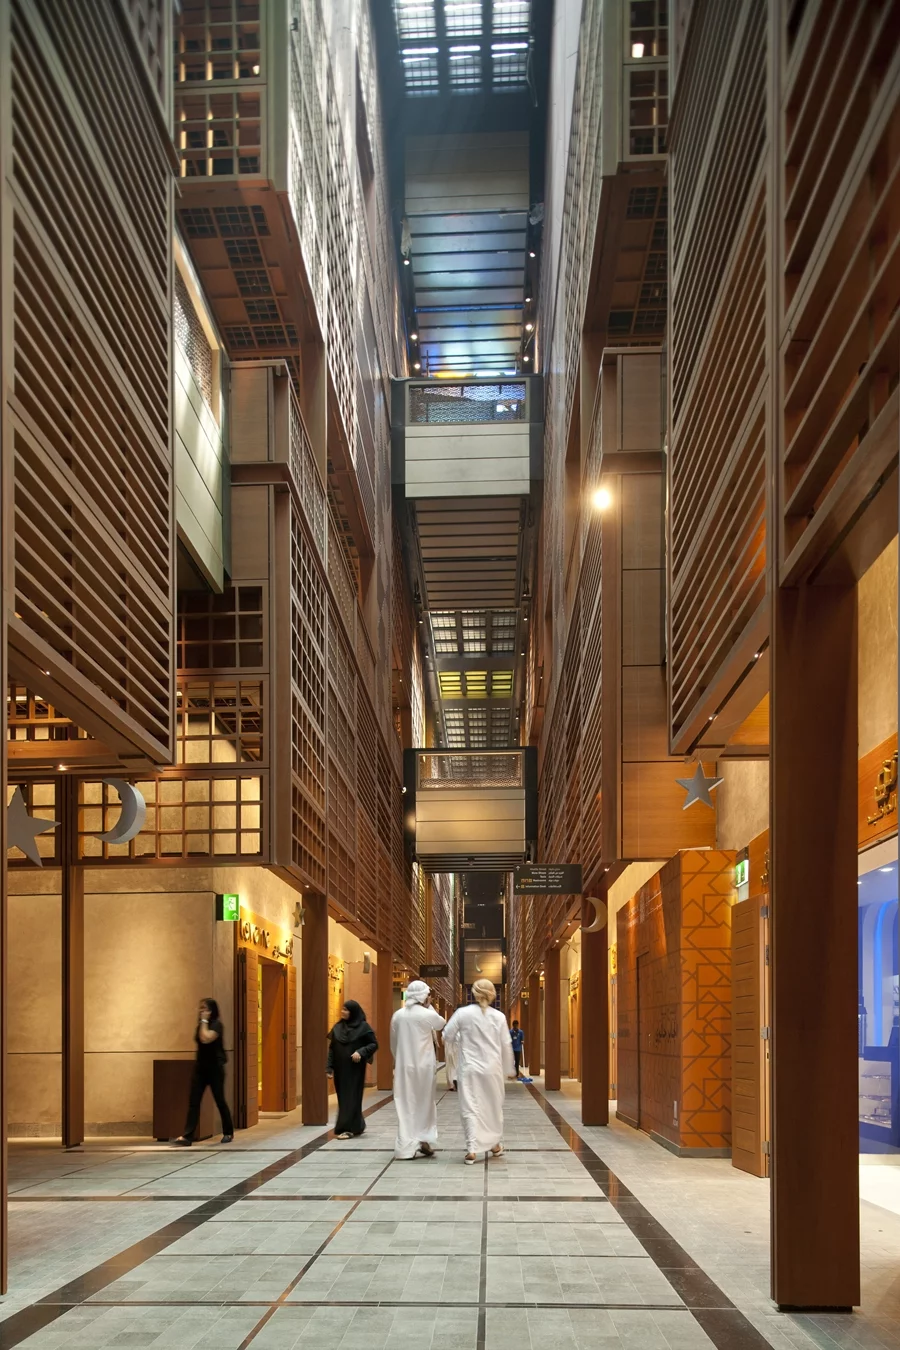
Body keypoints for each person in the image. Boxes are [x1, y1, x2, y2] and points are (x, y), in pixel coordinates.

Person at [443, 978, 515, 1164]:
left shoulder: (462, 1013)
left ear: (474, 993)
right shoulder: (499, 1017)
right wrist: (510, 1069)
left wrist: (460, 1041)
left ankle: (472, 1149)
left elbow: (447, 1035)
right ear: (492, 995)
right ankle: (495, 1145)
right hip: (492, 1070)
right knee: (492, 1107)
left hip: (469, 1069)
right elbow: (506, 1044)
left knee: (470, 1106)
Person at [390, 979, 445, 1158]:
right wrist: (429, 1007)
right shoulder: (426, 1014)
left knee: (405, 1104)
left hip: (404, 1066)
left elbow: (393, 1042)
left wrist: (399, 1060)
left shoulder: (398, 1015)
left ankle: (406, 1146)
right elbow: (441, 1024)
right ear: (424, 996)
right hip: (424, 1068)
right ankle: (423, 1139)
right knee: (424, 1104)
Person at [171, 998, 234, 1146]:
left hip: (215, 1069)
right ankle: (187, 1136)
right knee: (194, 1101)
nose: (201, 1011)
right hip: (200, 1069)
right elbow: (200, 1037)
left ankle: (228, 1132)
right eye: (200, 1008)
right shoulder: (200, 1026)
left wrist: (204, 1022)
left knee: (220, 1100)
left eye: (204, 1008)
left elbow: (206, 1039)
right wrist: (202, 1023)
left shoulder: (217, 1025)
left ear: (211, 1011)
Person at [327, 1000, 378, 1138]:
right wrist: (329, 1067)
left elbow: (373, 1044)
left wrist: (361, 1052)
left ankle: (347, 1129)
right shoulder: (337, 1028)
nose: (342, 1012)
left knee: (352, 1097)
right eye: (342, 1009)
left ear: (353, 1012)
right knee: (344, 1098)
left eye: (346, 1010)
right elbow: (332, 1049)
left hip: (355, 1070)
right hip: (340, 1070)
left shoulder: (363, 1027)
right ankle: (357, 1125)